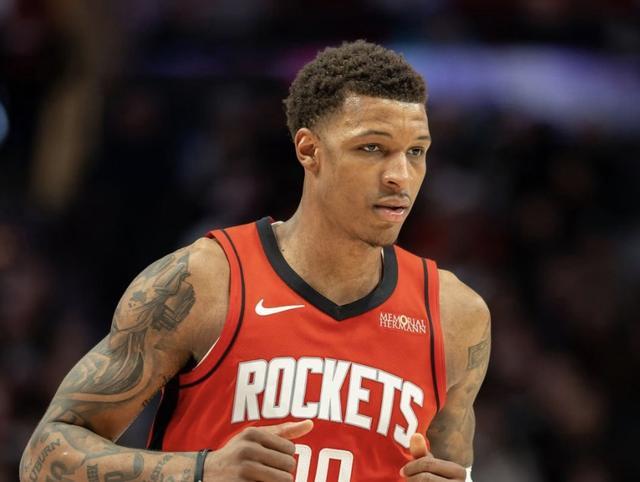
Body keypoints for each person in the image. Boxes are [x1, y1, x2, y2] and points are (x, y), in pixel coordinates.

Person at [20, 40, 490, 482]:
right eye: (372, 148)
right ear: (309, 149)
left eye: (416, 152)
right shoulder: (204, 281)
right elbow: (44, 455)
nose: (400, 176)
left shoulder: (455, 315)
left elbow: (452, 468)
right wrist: (204, 470)